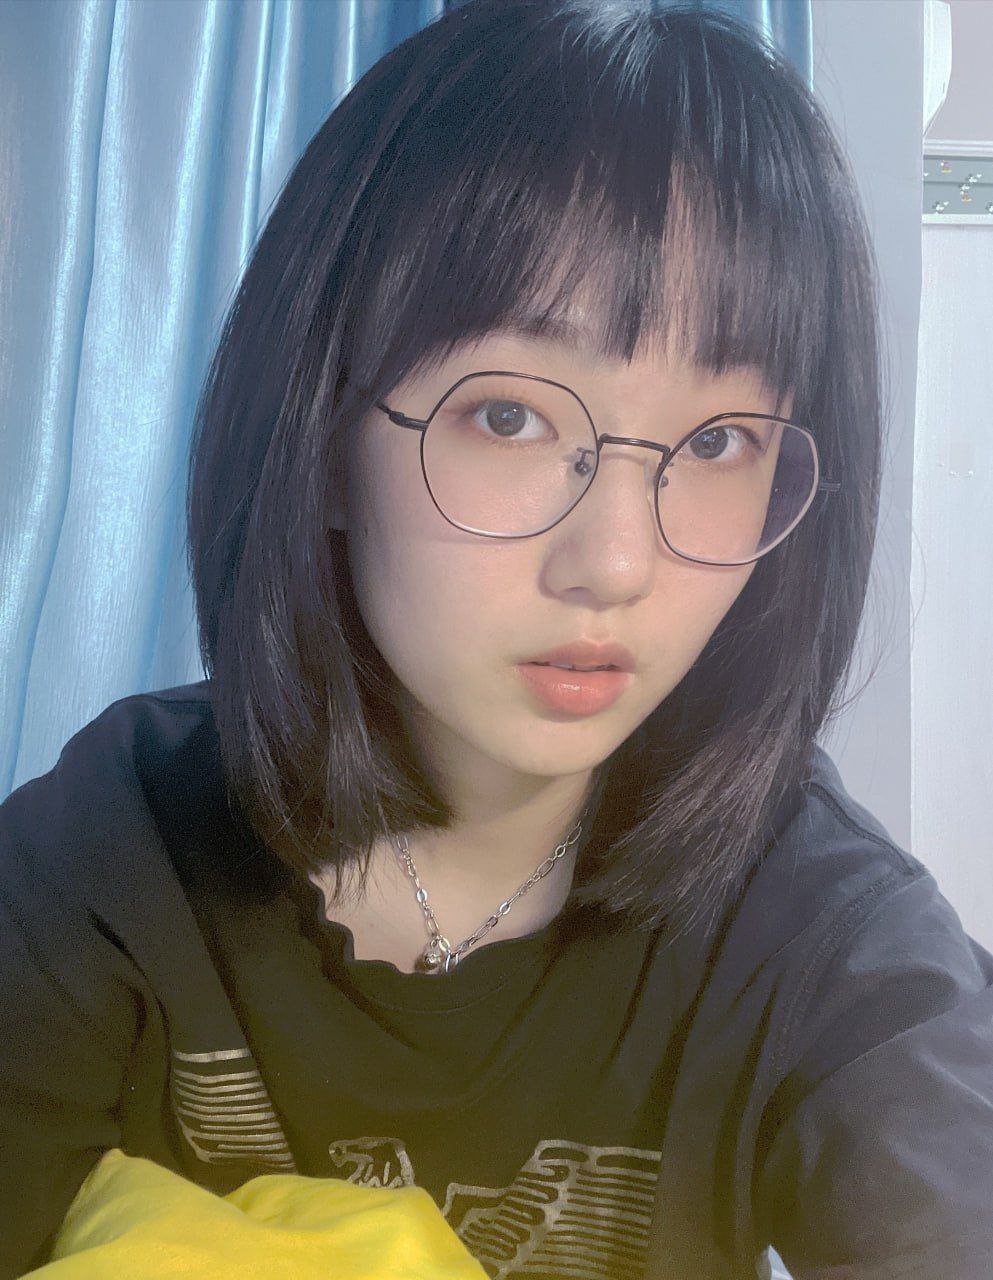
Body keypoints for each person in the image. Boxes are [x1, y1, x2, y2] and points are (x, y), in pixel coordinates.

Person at [2, 1, 991, 1276]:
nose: (616, 563)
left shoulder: (823, 932)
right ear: (328, 437)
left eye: (717, 441)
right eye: (512, 416)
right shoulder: (111, 856)